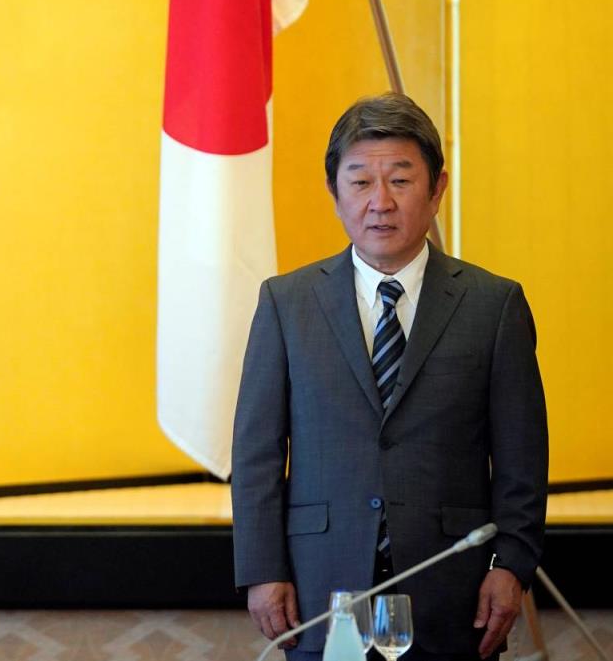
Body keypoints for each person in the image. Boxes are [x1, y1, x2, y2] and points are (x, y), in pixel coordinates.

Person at [231, 93, 547, 660]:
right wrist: (261, 568)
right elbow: (256, 452)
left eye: (400, 180)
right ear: (334, 193)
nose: (380, 202)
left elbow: (522, 457)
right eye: (360, 182)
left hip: (453, 585)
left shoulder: (493, 304)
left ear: (437, 189)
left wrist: (513, 565)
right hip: (320, 585)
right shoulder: (287, 302)